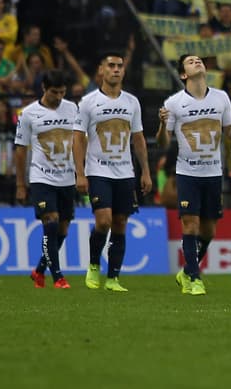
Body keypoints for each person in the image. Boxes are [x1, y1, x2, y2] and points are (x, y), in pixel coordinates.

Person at [74, 51, 152, 292]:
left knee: (120, 223)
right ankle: (94, 264)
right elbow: (77, 139)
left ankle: (113, 278)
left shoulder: (132, 102)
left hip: (125, 172)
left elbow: (138, 139)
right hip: (98, 171)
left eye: (119, 66)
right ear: (101, 70)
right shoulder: (88, 102)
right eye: (111, 65)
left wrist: (145, 172)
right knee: (104, 220)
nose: (116, 69)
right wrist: (80, 173)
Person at [157, 54, 231, 296]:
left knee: (209, 231)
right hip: (187, 172)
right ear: (183, 74)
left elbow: (230, 134)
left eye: (198, 60)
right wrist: (161, 125)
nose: (196, 62)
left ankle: (187, 270)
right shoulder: (174, 103)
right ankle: (194, 277)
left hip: (213, 173)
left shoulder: (221, 98)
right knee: (190, 224)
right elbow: (163, 142)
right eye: (190, 62)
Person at [14, 70, 79, 289]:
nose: (59, 96)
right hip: (41, 177)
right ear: (43, 88)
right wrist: (20, 184)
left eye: (62, 92)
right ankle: (58, 277)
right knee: (50, 224)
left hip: (67, 177)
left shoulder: (72, 108)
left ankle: (39, 270)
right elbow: (20, 150)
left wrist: (82, 172)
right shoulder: (29, 114)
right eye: (54, 92)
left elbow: (80, 141)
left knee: (63, 229)